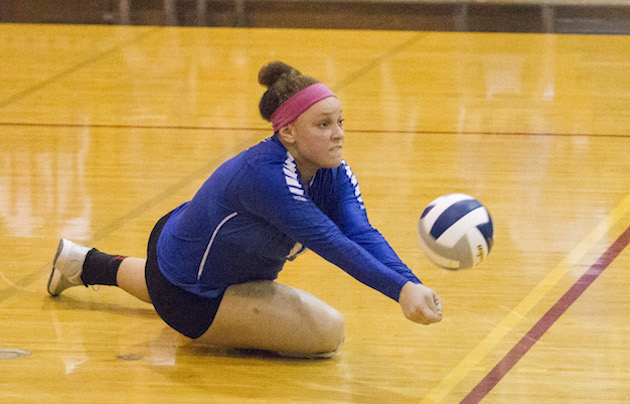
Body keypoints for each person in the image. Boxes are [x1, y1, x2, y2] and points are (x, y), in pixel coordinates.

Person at [47, 61, 443, 359]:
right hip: (193, 294)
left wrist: (411, 283)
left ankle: (85, 263)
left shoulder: (330, 170)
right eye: (323, 124)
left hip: (180, 248)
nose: (338, 133)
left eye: (340, 121)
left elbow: (360, 232)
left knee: (184, 272)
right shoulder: (266, 178)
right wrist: (399, 292)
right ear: (287, 132)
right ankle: (191, 324)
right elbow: (330, 243)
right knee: (329, 333)